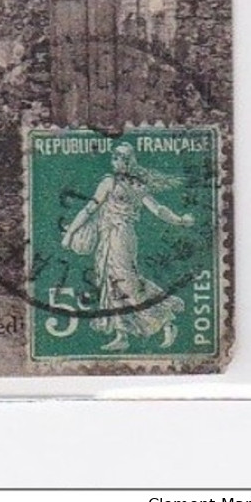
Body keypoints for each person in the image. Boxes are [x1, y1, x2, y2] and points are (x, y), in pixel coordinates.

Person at [61, 142, 194, 351]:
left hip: (121, 237)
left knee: (127, 282)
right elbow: (90, 209)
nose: (117, 162)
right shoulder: (111, 182)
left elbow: (157, 209)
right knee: (110, 281)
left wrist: (179, 221)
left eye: (122, 158)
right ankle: (122, 334)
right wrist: (70, 233)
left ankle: (165, 320)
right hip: (109, 236)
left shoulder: (134, 185)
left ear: (130, 161)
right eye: (115, 158)